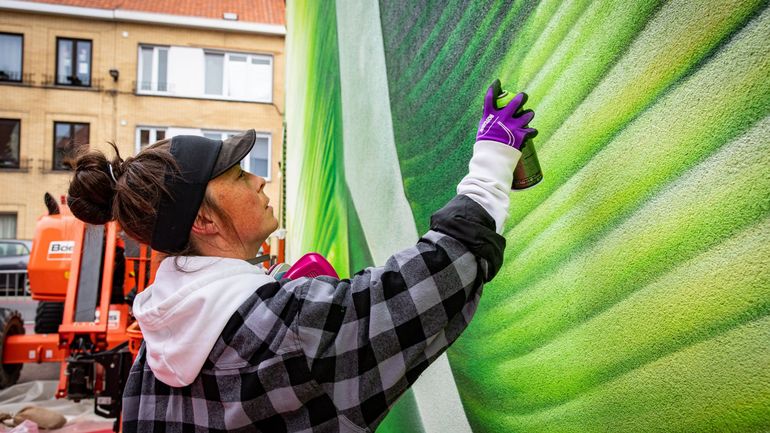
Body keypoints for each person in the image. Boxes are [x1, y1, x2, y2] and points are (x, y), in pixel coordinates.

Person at [66, 79, 537, 433]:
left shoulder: (152, 357)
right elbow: (432, 281)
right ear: (204, 223)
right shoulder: (287, 324)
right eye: (235, 176)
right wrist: (491, 166)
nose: (258, 180)